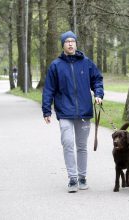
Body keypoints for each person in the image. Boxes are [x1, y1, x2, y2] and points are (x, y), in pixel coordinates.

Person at [42, 31, 104, 193]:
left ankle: (82, 177)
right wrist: (46, 110)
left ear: (76, 44)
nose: (70, 44)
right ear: (63, 45)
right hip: (64, 112)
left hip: (84, 112)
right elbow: (49, 89)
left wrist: (98, 94)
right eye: (67, 41)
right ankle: (72, 178)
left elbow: (97, 79)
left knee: (82, 146)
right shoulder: (56, 65)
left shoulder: (86, 63)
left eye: (73, 41)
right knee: (68, 144)